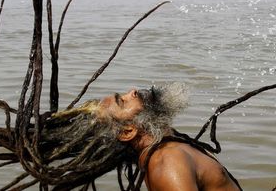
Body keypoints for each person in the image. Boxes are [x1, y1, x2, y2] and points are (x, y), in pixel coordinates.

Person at [96, 82, 242, 191]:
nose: (132, 91)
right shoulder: (168, 161)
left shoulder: (167, 148)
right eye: (122, 101)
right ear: (128, 132)